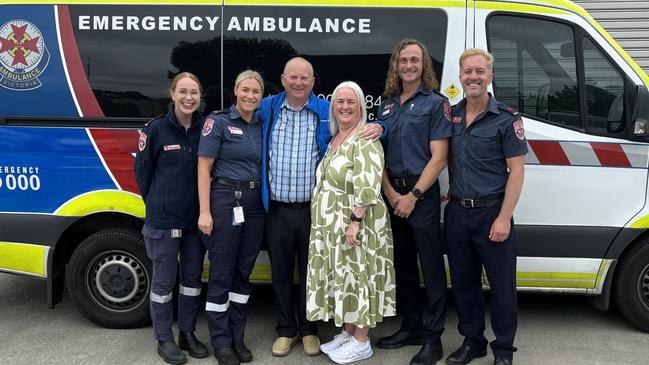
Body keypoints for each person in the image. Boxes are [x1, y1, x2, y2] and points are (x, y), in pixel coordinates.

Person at [257, 57, 384, 357]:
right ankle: (286, 331)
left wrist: (381, 126)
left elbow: (358, 132)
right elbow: (238, 112)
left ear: (314, 82)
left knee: (313, 272)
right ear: (283, 79)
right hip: (277, 208)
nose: (299, 83)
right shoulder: (267, 107)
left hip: (313, 212)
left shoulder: (321, 111)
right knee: (281, 274)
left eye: (305, 78)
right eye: (293, 77)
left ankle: (309, 329)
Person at [444, 48, 526, 365]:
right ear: (461, 76)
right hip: (457, 213)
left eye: (480, 71)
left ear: (490, 77)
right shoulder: (450, 114)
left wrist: (504, 217)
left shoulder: (506, 119)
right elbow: (449, 157)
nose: (473, 77)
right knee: (464, 284)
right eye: (468, 71)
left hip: (493, 213)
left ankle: (503, 350)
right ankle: (473, 342)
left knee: (502, 287)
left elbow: (517, 171)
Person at [306, 81, 396, 364]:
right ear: (333, 106)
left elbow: (368, 182)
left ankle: (361, 340)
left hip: (359, 222)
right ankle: (348, 331)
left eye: (351, 102)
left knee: (360, 277)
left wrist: (355, 221)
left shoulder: (365, 137)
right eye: (340, 102)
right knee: (344, 277)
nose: (344, 107)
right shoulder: (336, 138)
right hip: (334, 225)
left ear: (361, 107)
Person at [377, 38, 452, 365]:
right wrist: (392, 194)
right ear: (396, 65)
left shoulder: (436, 103)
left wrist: (413, 196)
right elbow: (377, 153)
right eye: (403, 60)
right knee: (403, 265)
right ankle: (411, 326)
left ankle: (433, 338)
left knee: (431, 268)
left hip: (421, 196)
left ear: (424, 66)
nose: (408, 65)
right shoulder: (387, 103)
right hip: (393, 194)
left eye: (415, 60)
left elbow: (439, 158)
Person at [134, 72, 209, 365]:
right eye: (183, 92)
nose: (189, 98)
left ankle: (187, 333)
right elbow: (143, 174)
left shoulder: (207, 128)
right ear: (172, 94)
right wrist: (158, 203)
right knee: (163, 284)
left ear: (200, 96)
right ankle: (164, 338)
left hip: (196, 221)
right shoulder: (155, 130)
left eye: (194, 92)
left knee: (192, 281)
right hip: (164, 221)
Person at [197, 70, 265, 365]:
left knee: (243, 271)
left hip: (254, 204)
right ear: (236, 91)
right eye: (246, 90)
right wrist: (204, 211)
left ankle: (238, 337)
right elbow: (203, 169)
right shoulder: (219, 122)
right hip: (225, 199)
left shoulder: (262, 123)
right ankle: (221, 341)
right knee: (222, 271)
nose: (251, 96)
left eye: (256, 91)